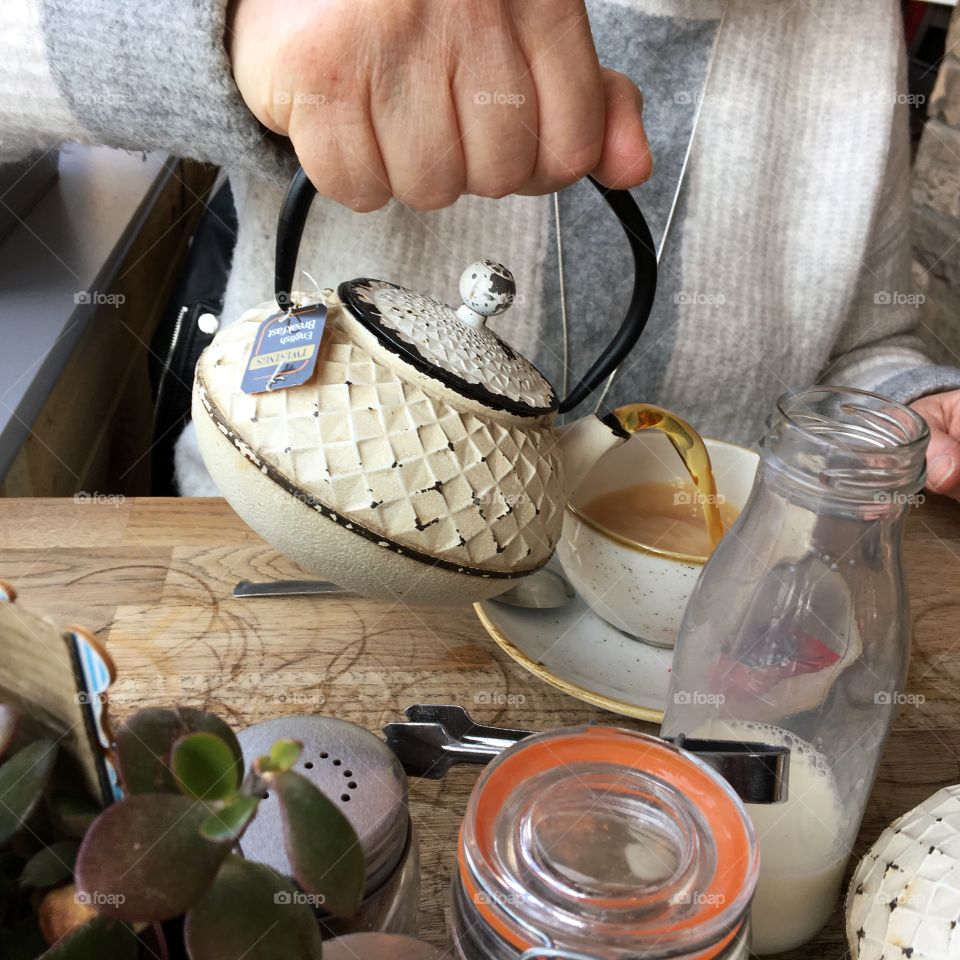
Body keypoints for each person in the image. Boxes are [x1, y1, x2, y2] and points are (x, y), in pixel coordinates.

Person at [3, 0, 960, 497]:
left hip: (689, 622)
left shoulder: (858, 24)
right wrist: (230, 25)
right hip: (299, 578)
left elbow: (865, 341)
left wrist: (912, 406)